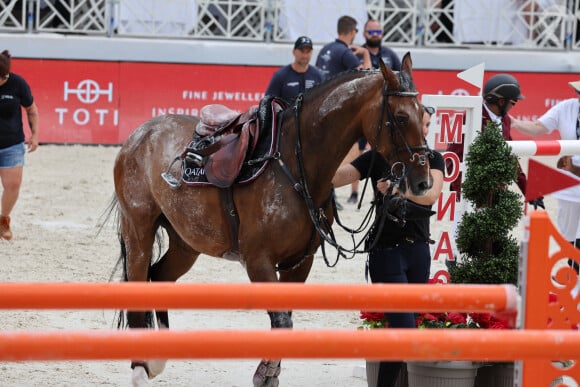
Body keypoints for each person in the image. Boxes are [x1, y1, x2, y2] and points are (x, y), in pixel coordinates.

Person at [332, 106, 444, 386]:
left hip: (419, 250)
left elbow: (430, 197)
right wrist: (333, 145)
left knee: (406, 329)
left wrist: (396, 189)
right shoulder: (378, 157)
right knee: (404, 329)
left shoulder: (434, 158)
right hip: (386, 251)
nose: (423, 131)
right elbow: (337, 178)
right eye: (420, 124)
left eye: (427, 125)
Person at [511, 80, 580, 259]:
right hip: (568, 183)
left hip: (571, 172)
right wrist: (514, 123)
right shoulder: (567, 108)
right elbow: (538, 128)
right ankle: (573, 277)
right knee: (568, 235)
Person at [346, 19, 401, 205]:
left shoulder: (391, 55)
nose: (375, 35)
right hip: (363, 111)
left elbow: (402, 81)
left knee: (383, 151)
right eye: (371, 32)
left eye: (378, 32)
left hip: (385, 112)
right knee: (359, 150)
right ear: (364, 33)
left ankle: (376, 194)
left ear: (382, 34)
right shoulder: (356, 53)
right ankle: (354, 193)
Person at [0, 49, 39, 240]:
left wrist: (35, 135)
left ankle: (3, 220)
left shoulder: (17, 84)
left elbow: (31, 109)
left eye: (3, 77)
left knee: (13, 185)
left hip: (12, 144)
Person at [264, 36, 323, 103]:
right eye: (302, 51)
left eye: (308, 52)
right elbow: (268, 102)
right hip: (286, 112)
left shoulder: (317, 76)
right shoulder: (281, 75)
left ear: (312, 53)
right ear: (294, 52)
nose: (305, 55)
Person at [315, 15, 371, 80]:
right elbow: (367, 77)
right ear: (352, 32)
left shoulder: (324, 48)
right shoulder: (345, 52)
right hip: (336, 89)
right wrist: (365, 52)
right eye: (356, 30)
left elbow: (316, 70)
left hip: (321, 89)